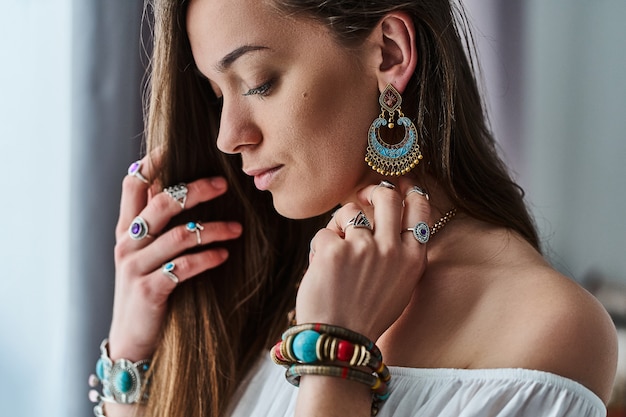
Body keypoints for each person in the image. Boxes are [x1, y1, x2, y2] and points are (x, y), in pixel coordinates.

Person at [88, 0, 618, 416]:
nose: (229, 136)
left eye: (258, 82)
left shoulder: (548, 326)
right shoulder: (275, 274)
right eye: (217, 94)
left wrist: (334, 353)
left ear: (389, 51)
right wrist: (132, 359)